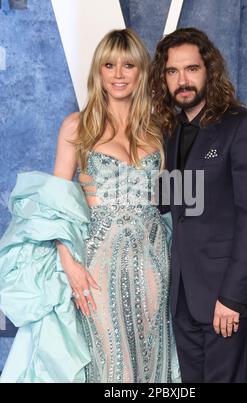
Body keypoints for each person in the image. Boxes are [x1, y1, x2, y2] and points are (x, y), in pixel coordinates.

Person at [0, 29, 180, 383]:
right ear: (98, 71)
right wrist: (69, 263)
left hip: (153, 257)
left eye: (128, 65)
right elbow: (56, 205)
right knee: (112, 362)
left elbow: (168, 198)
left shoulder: (159, 129)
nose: (118, 74)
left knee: (151, 354)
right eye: (109, 65)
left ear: (141, 71)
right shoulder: (77, 126)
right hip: (98, 258)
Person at [150, 27, 247, 383]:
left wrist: (233, 297)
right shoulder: (171, 132)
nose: (182, 80)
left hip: (224, 298)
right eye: (172, 71)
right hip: (183, 298)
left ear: (209, 70)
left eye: (191, 69)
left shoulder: (243, 126)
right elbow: (173, 205)